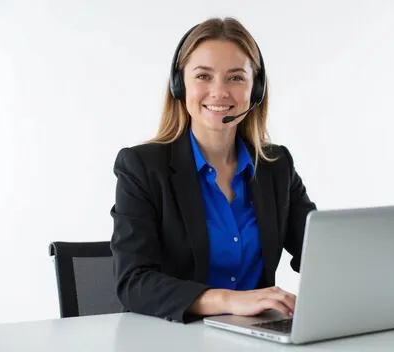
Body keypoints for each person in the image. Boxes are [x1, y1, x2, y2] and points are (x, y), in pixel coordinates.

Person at [110, 17, 316, 324]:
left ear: (255, 89)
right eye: (203, 76)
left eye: (235, 78)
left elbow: (319, 255)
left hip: (255, 340)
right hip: (174, 338)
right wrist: (229, 300)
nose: (219, 92)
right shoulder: (142, 168)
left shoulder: (276, 167)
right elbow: (133, 283)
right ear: (179, 85)